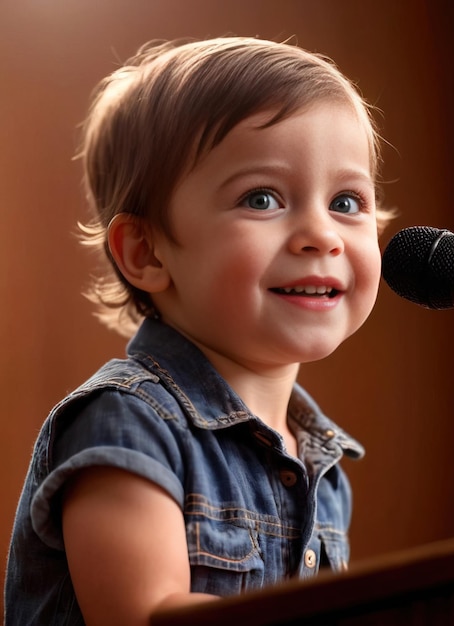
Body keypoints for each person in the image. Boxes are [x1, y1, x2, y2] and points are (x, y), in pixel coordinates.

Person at [5, 36, 394, 625]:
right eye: (261, 198)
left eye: (346, 201)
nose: (323, 234)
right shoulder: (127, 424)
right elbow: (145, 614)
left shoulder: (323, 468)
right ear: (146, 252)